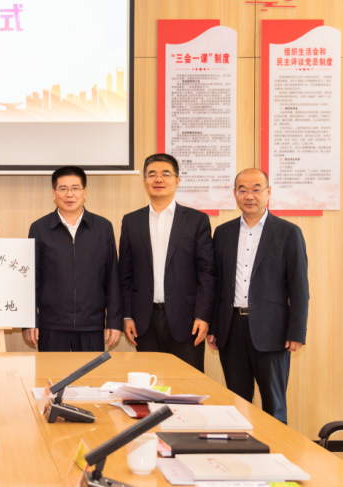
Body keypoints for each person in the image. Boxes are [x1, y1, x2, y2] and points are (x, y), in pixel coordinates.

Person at [209, 168, 309, 424]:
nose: (249, 196)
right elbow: (217, 284)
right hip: (231, 329)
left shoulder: (288, 232)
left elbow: (299, 287)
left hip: (273, 331)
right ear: (234, 193)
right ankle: (241, 447)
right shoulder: (223, 232)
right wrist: (214, 327)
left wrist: (296, 332)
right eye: (242, 190)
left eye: (256, 189)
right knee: (237, 403)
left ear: (268, 192)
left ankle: (276, 448)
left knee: (274, 405)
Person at [119, 154, 216, 372]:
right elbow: (125, 274)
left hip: (187, 320)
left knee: (187, 384)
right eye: (152, 174)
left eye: (166, 174)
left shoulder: (197, 220)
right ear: (145, 181)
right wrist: (126, 315)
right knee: (148, 384)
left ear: (177, 180)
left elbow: (207, 273)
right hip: (144, 320)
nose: (158, 179)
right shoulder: (131, 221)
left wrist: (203, 315)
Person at [24, 166, 123, 352]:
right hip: (52, 324)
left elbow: (112, 278)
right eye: (63, 188)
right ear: (54, 193)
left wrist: (114, 321)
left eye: (75, 188)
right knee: (52, 372)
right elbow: (30, 279)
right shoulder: (39, 228)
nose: (69, 194)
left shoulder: (103, 228)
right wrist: (29, 321)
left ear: (84, 192)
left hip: (91, 324)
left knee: (91, 372)